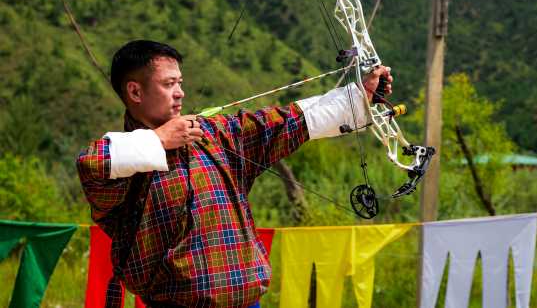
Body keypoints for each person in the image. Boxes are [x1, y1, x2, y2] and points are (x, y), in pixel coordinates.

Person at [77, 39, 391, 306]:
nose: (179, 93)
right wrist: (160, 139)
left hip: (247, 300)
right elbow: (91, 164)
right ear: (135, 92)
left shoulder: (217, 134)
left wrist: (359, 95)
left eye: (180, 83)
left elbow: (286, 121)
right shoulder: (123, 162)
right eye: (168, 84)